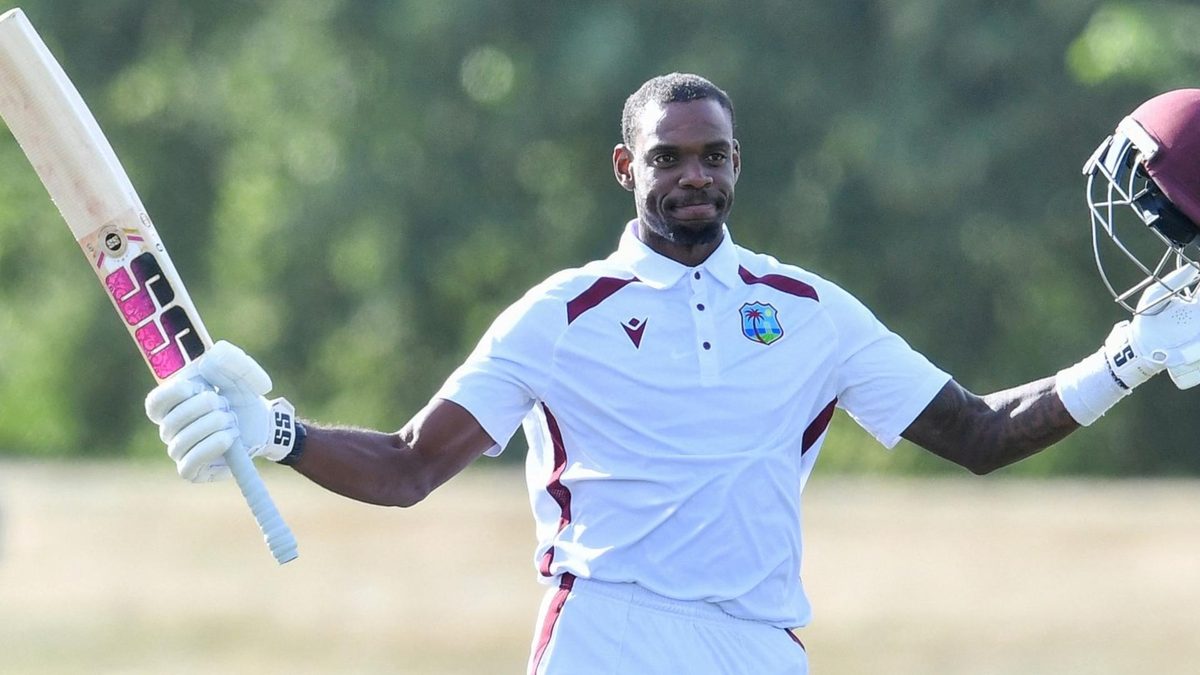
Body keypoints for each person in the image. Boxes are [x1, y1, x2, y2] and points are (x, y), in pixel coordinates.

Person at [145, 75, 1200, 674]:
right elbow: (412, 464)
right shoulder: (560, 315)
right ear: (626, 166)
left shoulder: (811, 312)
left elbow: (979, 434)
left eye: (713, 156)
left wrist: (1130, 358)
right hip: (607, 631)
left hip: (759, 643)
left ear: (739, 165)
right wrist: (279, 434)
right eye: (668, 157)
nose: (693, 176)